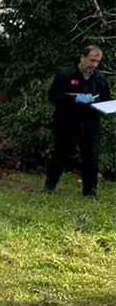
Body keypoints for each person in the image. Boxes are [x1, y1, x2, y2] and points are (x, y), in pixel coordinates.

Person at [45, 46, 110, 196]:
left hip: (90, 122)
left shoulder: (99, 78)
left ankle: (90, 191)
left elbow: (106, 98)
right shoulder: (65, 74)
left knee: (91, 157)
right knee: (60, 154)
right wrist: (74, 98)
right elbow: (54, 95)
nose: (93, 64)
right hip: (67, 121)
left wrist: (100, 103)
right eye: (91, 60)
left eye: (97, 61)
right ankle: (50, 185)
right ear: (82, 57)